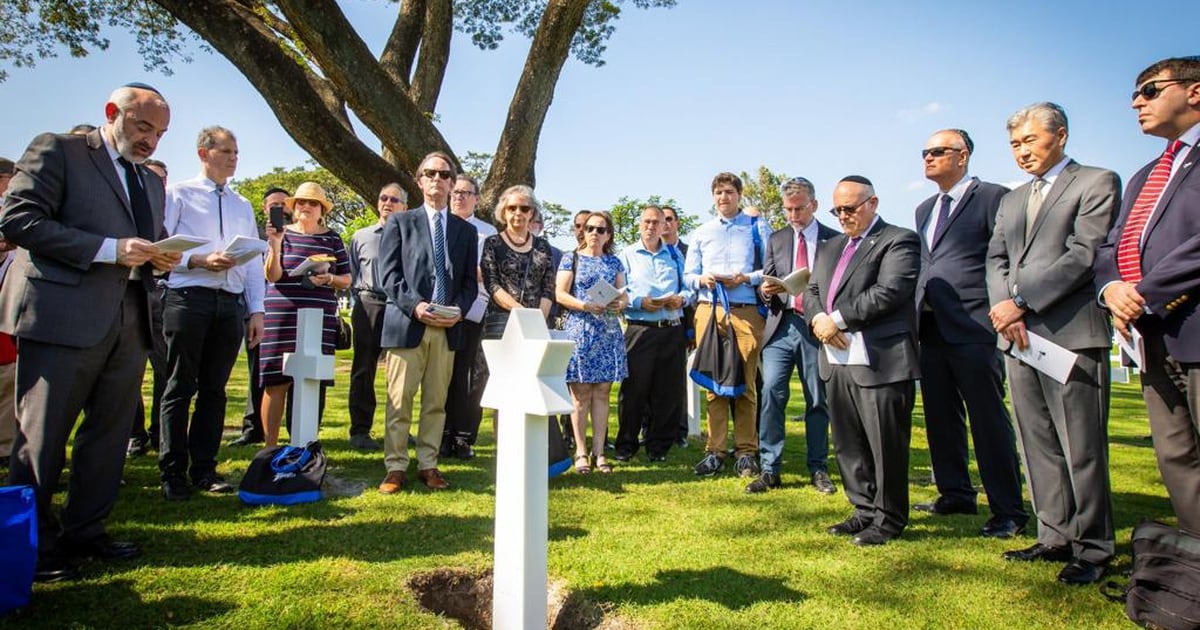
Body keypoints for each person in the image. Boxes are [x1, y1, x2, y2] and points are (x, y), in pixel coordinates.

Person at [0, 84, 180, 582]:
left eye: (160, 134)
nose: (151, 142)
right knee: (43, 437)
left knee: (108, 434)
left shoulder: (149, 182)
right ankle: (33, 546)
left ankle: (87, 528)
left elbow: (142, 247)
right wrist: (108, 249)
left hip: (129, 319)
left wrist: (161, 258)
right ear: (111, 113)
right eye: (143, 127)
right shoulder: (58, 150)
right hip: (61, 315)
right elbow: (18, 220)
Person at [986, 102, 1120, 585]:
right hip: (1016, 338)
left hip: (1069, 334)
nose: (1022, 152)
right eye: (1015, 144)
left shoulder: (1096, 182)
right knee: (1036, 441)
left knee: (1080, 445)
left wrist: (1021, 302)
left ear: (1059, 135)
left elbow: (1084, 254)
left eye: (1030, 141)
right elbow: (996, 258)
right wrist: (1004, 309)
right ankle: (1054, 534)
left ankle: (1093, 547)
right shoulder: (1011, 199)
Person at [1095, 57, 1200, 535]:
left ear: (1194, 91)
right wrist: (1112, 288)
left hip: (1192, 325)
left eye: (1151, 90)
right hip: (1152, 335)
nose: (1137, 101)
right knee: (1175, 455)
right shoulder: (1145, 174)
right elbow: (1113, 244)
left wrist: (1144, 292)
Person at [912, 129, 1028, 539]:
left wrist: (1014, 306)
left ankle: (1009, 509)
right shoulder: (925, 208)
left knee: (988, 419)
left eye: (937, 151)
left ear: (963, 156)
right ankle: (956, 492)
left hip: (977, 324)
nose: (928, 157)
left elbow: (1009, 257)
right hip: (931, 328)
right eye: (925, 152)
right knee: (941, 417)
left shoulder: (994, 198)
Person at [804, 176, 920, 546]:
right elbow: (812, 291)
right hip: (836, 358)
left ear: (873, 202)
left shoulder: (898, 240)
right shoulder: (830, 247)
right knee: (848, 440)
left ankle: (888, 519)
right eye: (837, 210)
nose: (843, 216)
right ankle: (863, 509)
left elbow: (889, 291)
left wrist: (834, 320)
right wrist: (817, 320)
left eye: (850, 208)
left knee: (885, 443)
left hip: (880, 361)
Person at [156, 127, 265, 500]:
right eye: (227, 151)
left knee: (214, 390)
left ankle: (205, 468)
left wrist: (256, 310)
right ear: (204, 153)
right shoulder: (179, 195)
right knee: (179, 385)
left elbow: (253, 263)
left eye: (237, 151)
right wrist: (199, 259)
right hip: (189, 298)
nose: (234, 158)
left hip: (228, 303)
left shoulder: (241, 204)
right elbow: (160, 250)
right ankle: (172, 471)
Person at [377, 152, 478, 492]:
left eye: (445, 174)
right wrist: (416, 306)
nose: (438, 179)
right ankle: (395, 466)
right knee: (400, 399)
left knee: (436, 401)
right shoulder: (400, 222)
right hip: (408, 324)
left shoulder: (466, 231)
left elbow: (468, 284)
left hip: (446, 328)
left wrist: (459, 311)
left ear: (452, 183)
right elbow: (388, 275)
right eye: (430, 173)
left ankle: (428, 464)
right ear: (419, 180)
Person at [752, 177, 839, 495]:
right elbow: (767, 279)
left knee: (817, 398)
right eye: (787, 209)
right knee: (772, 394)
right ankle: (769, 469)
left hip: (815, 326)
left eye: (798, 209)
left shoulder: (835, 239)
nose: (792, 215)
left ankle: (818, 468)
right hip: (780, 327)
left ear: (813, 205)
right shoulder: (777, 238)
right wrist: (765, 289)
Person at [683, 172, 771, 478]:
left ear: (739, 194)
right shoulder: (702, 232)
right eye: (718, 192)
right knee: (713, 384)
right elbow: (688, 275)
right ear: (713, 196)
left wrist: (745, 278)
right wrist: (702, 279)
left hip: (746, 311)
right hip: (710, 309)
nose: (724, 197)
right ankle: (715, 451)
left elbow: (771, 269)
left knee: (745, 384)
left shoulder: (756, 227)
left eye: (729, 192)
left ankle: (747, 451)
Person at [260, 182, 351, 446]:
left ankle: (303, 445)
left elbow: (346, 279)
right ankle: (270, 448)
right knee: (276, 381)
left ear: (322, 209)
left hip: (317, 317)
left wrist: (329, 277)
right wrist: (275, 246)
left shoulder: (332, 238)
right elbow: (272, 276)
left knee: (311, 380)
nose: (307, 207)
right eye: (301, 202)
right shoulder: (282, 235)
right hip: (282, 314)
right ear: (294, 207)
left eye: (313, 203)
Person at [615, 205, 690, 463]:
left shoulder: (674, 255)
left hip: (671, 328)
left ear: (664, 226)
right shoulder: (626, 255)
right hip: (640, 329)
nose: (651, 227)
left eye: (656, 222)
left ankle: (659, 446)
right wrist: (638, 302)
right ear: (640, 224)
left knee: (667, 392)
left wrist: (682, 299)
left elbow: (687, 286)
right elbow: (620, 291)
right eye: (647, 222)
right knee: (634, 390)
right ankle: (626, 444)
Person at [557, 211, 627, 474]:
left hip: (608, 332)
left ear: (608, 234)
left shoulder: (614, 262)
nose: (594, 233)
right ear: (582, 232)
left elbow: (624, 296)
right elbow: (560, 293)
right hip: (581, 331)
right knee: (580, 395)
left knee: (602, 393)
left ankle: (600, 453)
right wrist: (585, 305)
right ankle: (580, 452)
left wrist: (618, 303)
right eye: (590, 228)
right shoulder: (570, 258)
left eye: (600, 229)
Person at [347, 183, 407, 451]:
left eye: (395, 199)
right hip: (368, 303)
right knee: (364, 368)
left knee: (402, 372)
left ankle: (398, 429)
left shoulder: (411, 237)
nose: (388, 202)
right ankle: (360, 429)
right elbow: (351, 274)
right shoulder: (361, 236)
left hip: (400, 306)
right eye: (383, 198)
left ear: (404, 207)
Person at [442, 174, 498, 460]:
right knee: (442, 377)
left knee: (472, 378)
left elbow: (488, 274)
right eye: (456, 192)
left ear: (477, 198)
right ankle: (441, 435)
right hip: (439, 311)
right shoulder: (439, 225)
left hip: (474, 312)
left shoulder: (487, 233)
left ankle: (464, 436)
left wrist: (468, 272)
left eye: (466, 193)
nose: (459, 197)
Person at [231, 186, 291, 446]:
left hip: (285, 309)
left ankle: (288, 429)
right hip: (255, 308)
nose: (279, 209)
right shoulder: (254, 233)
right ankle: (252, 426)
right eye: (273, 205)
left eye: (283, 204)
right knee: (257, 370)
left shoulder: (296, 232)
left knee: (282, 375)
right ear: (265, 208)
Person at [127, 158, 169, 458]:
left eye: (161, 180)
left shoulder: (166, 211)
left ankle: (160, 432)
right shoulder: (126, 206)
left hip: (162, 297)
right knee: (130, 372)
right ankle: (134, 433)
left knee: (165, 370)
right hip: (127, 294)